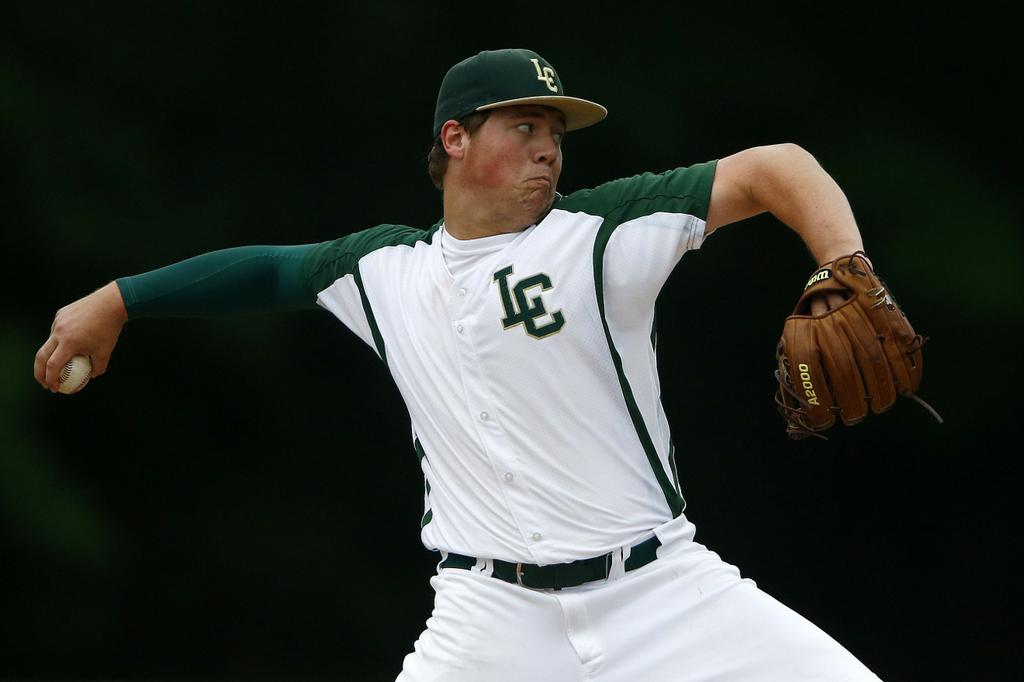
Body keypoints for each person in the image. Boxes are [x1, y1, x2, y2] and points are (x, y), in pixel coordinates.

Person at [36, 48, 881, 681]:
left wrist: (848, 267)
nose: (550, 149)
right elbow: (266, 271)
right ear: (457, 138)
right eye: (526, 128)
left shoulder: (602, 234)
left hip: (661, 597)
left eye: (555, 134)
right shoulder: (382, 271)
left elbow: (778, 168)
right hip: (491, 620)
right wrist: (116, 300)